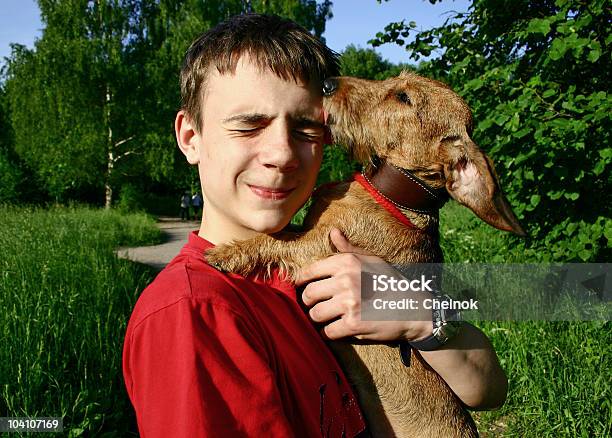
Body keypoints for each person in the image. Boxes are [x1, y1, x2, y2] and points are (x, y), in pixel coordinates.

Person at [122, 14, 508, 437]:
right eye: (249, 125)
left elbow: (488, 388)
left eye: (307, 128)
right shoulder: (197, 310)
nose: (282, 154)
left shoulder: (344, 263)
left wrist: (417, 313)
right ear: (190, 137)